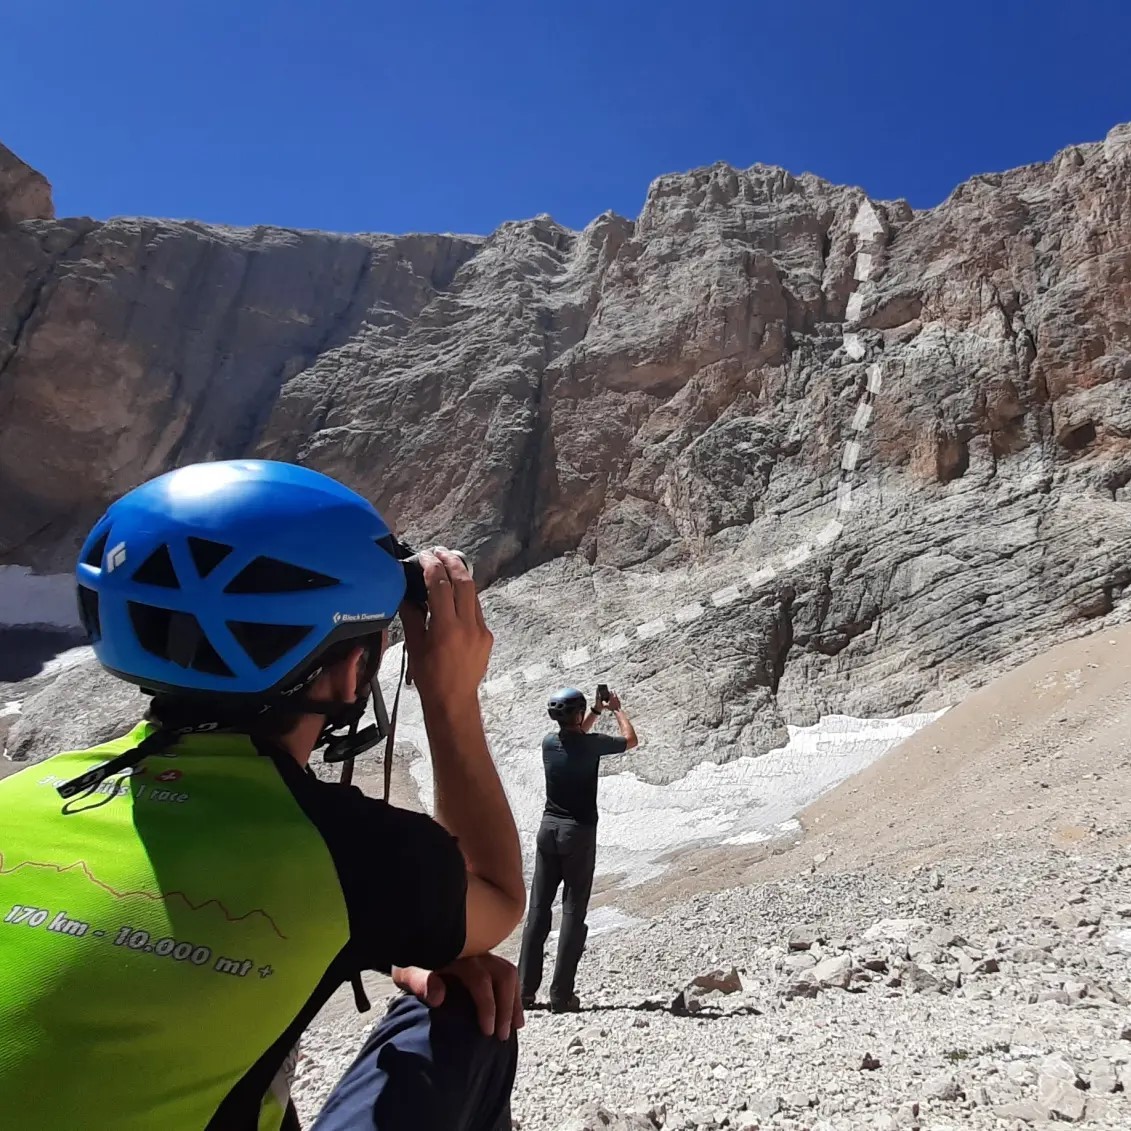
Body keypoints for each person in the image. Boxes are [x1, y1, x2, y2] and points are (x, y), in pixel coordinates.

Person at [0, 459, 526, 1131]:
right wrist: (449, 697)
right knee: (463, 1012)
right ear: (350, 672)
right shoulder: (357, 857)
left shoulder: (20, 797)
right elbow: (496, 892)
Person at [517, 686, 638, 1012]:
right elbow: (630, 740)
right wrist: (615, 710)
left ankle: (524, 992)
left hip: (548, 832)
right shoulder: (591, 745)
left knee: (539, 910)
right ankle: (561, 995)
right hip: (578, 835)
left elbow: (576, 734)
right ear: (577, 713)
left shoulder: (549, 743)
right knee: (573, 912)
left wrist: (593, 713)